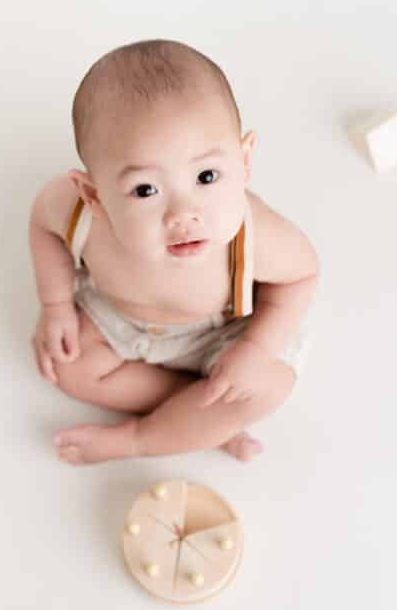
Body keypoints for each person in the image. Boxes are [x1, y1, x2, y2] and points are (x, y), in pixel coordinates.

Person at [28, 39, 318, 465]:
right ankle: (197, 422)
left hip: (221, 333)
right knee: (65, 366)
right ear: (94, 194)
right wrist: (54, 306)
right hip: (120, 319)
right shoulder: (77, 214)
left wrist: (254, 351)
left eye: (206, 176)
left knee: (268, 386)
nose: (183, 214)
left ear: (244, 159)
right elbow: (43, 228)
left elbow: (302, 275)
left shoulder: (251, 235)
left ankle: (140, 438)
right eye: (145, 190)